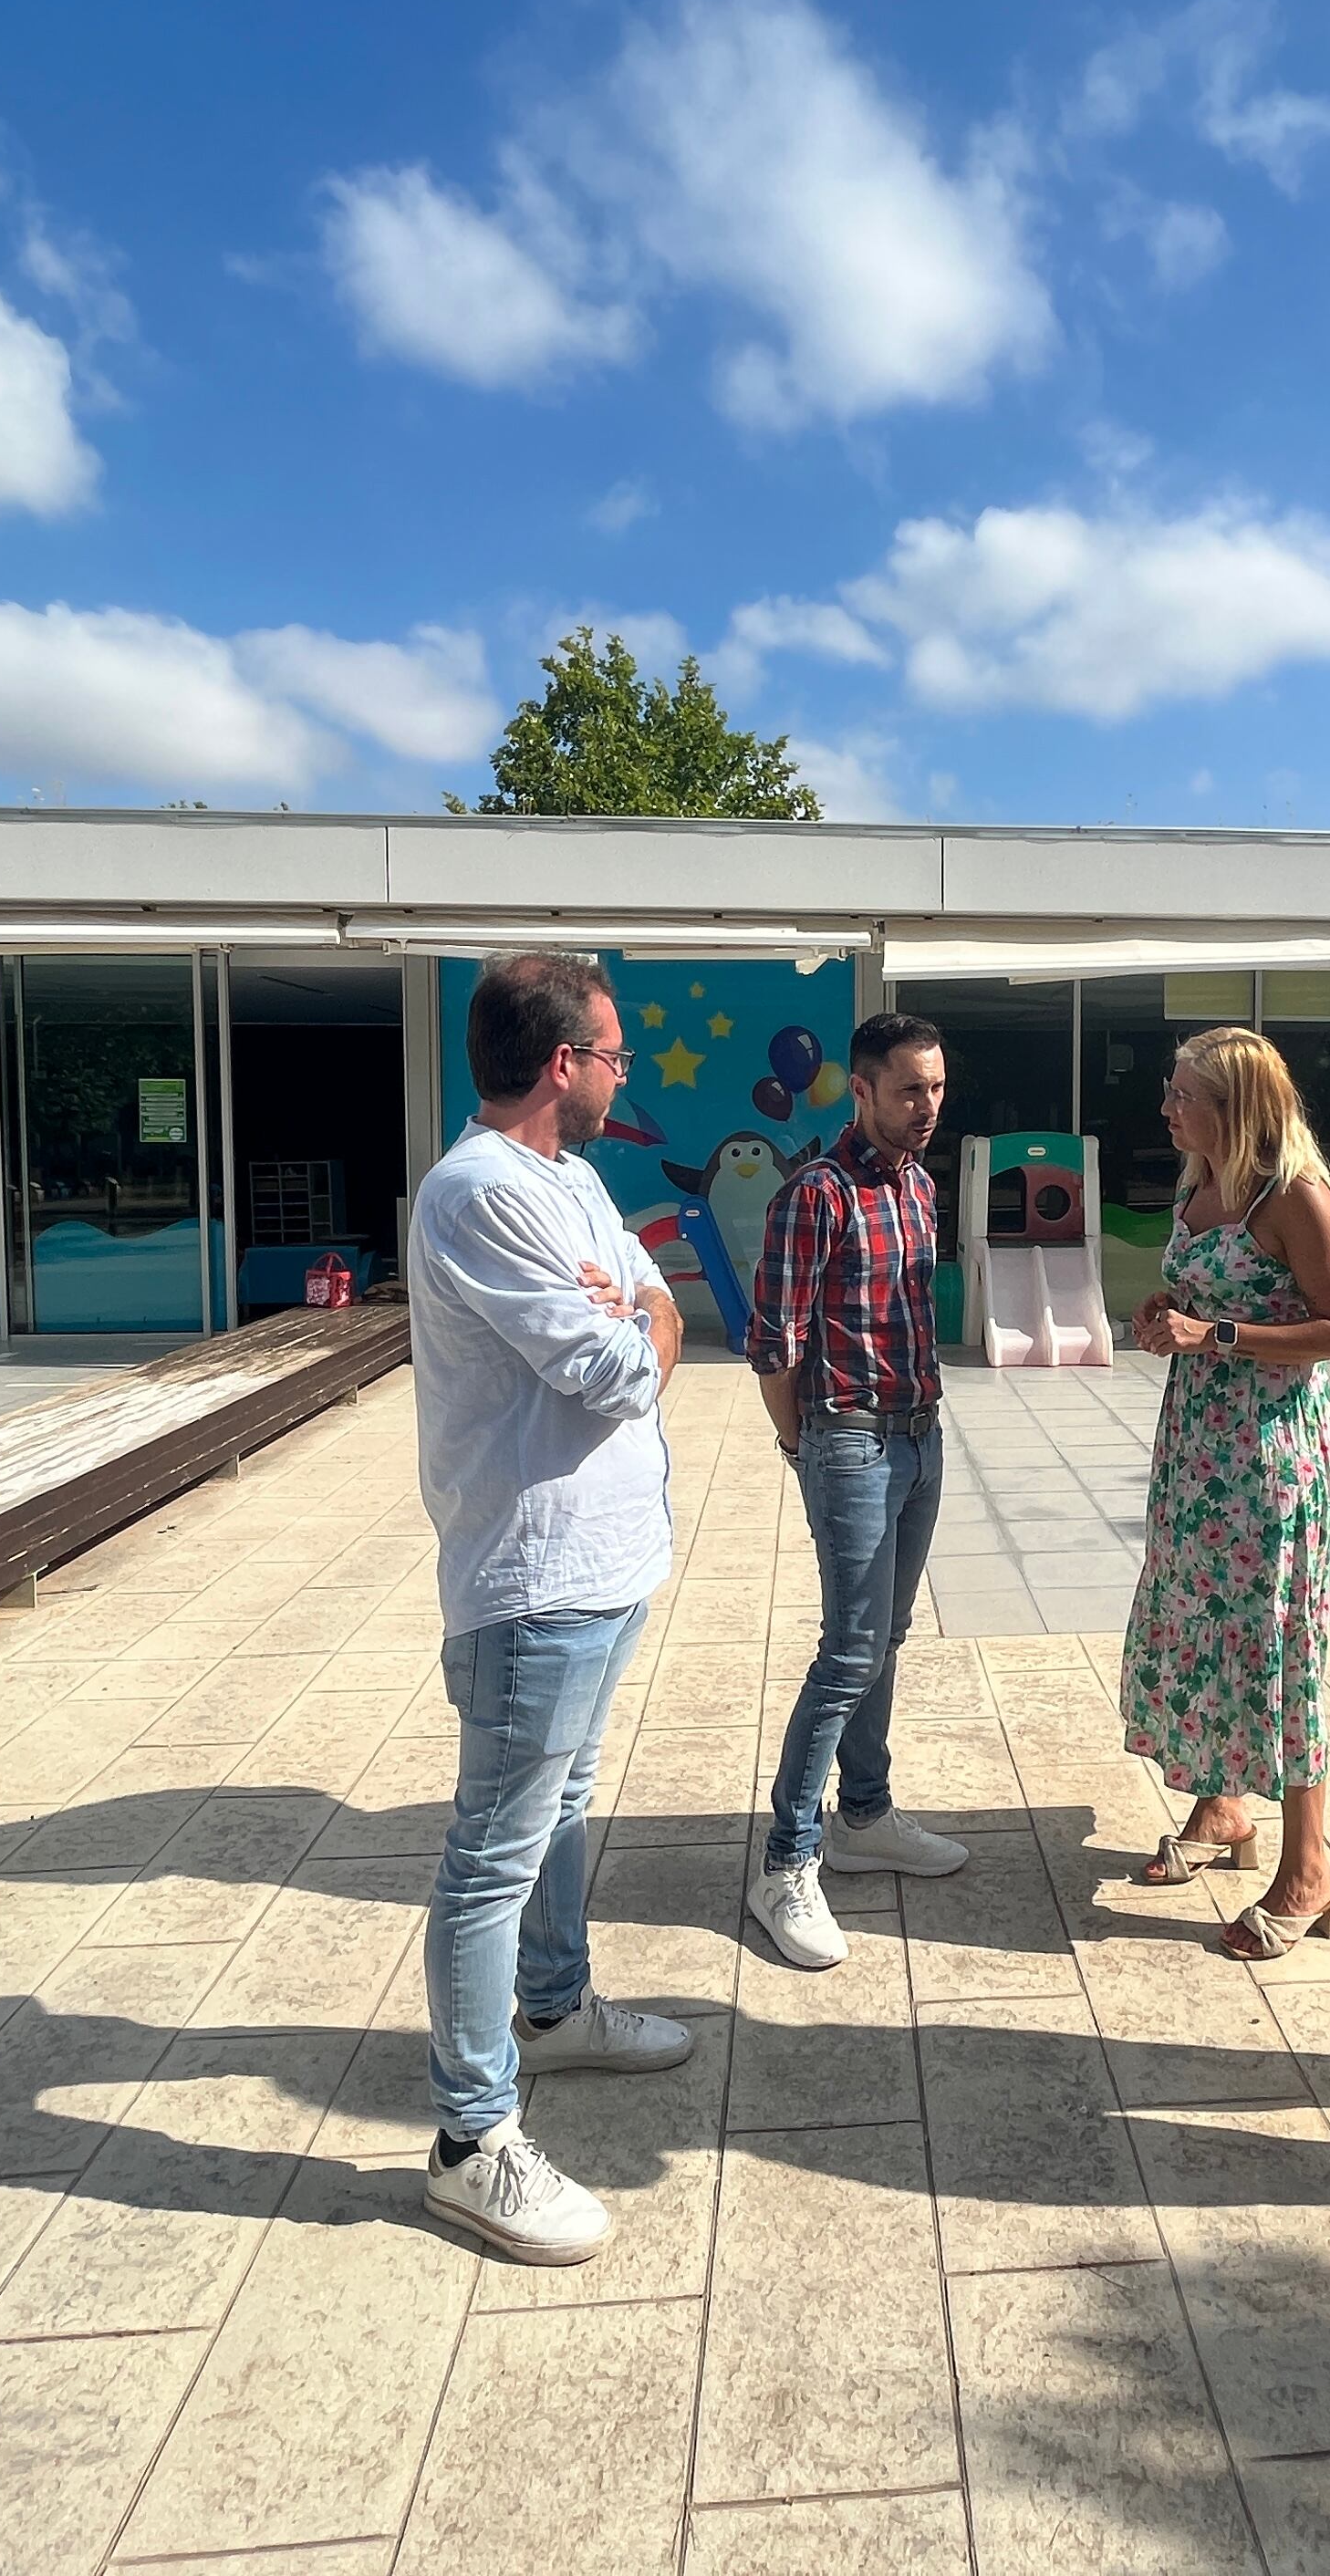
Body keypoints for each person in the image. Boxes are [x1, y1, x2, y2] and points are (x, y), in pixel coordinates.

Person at [409, 950, 697, 2266]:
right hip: (534, 1582)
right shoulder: (478, 1193)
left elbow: (644, 1311)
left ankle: (556, 2007)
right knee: (495, 1851)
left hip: (608, 1564)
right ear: (560, 1063)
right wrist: (639, 1318)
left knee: (567, 1806)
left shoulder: (573, 1179)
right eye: (615, 1054)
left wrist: (639, 1305)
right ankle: (473, 2138)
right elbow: (613, 1366)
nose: (624, 1074)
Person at [1117, 1025, 1330, 1958]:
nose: (1168, 1109)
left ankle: (1309, 1869)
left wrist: (1213, 1335)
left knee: (1273, 1639)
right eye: (1172, 1091)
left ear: (1236, 1108)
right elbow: (1199, 1293)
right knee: (1199, 1621)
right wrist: (1160, 1314)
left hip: (1266, 1457)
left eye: (1184, 1096)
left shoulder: (1293, 1195)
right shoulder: (1201, 1182)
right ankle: (1223, 1807)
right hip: (1198, 1452)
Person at [742, 1012, 972, 1968]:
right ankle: (785, 1862)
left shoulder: (919, 1185)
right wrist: (810, 1449)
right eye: (910, 1090)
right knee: (848, 1652)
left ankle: (864, 1816)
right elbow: (773, 1348)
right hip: (852, 1442)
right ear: (861, 1087)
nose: (928, 1109)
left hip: (920, 1437)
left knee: (888, 1638)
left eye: (938, 1089)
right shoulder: (816, 1195)